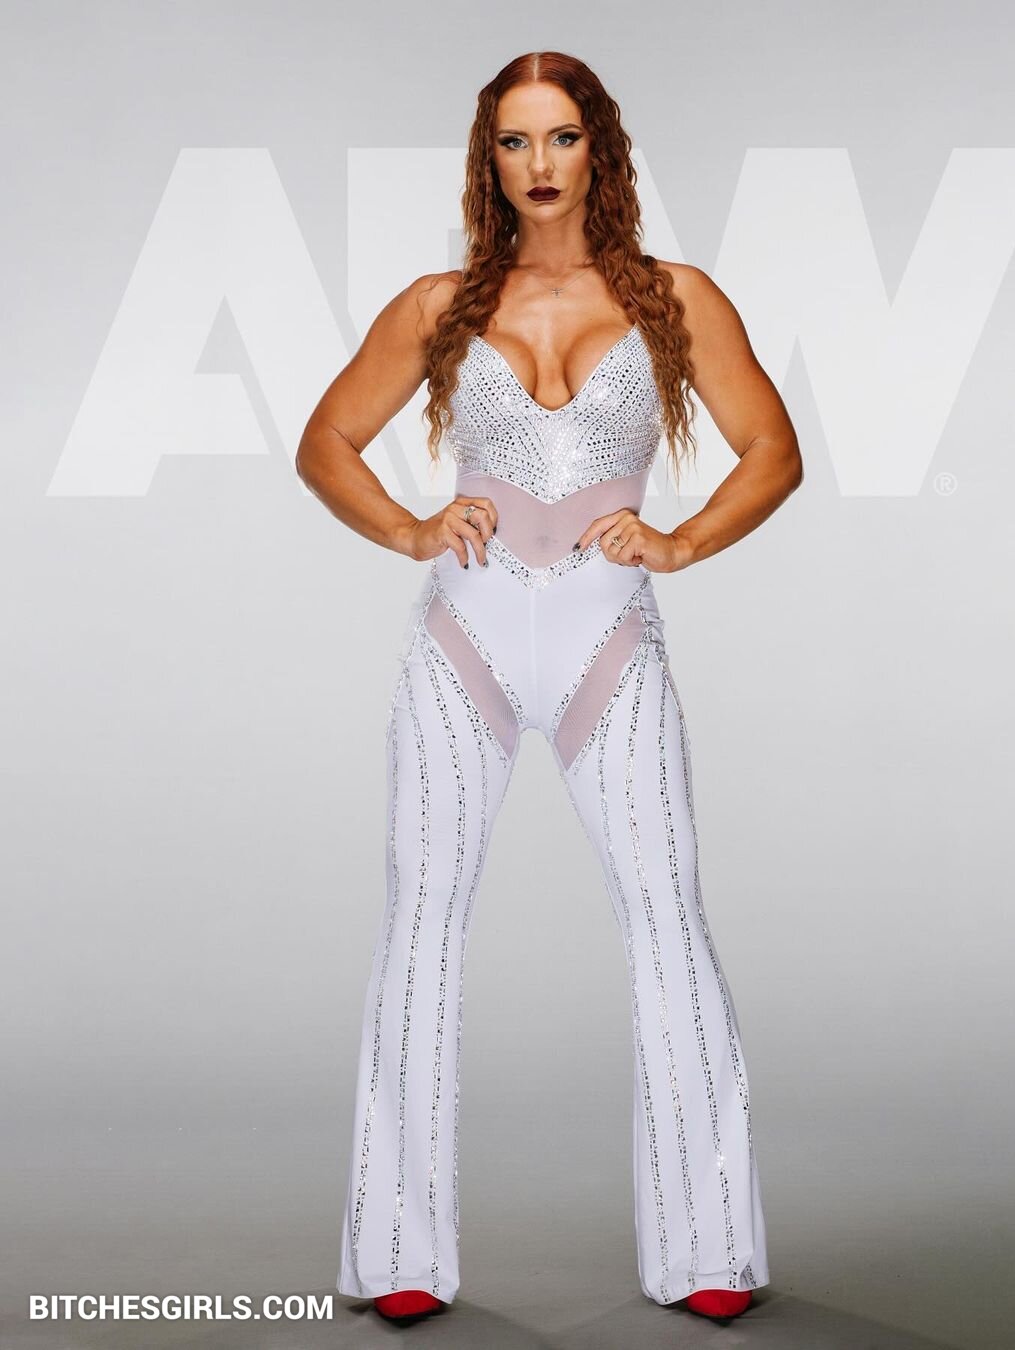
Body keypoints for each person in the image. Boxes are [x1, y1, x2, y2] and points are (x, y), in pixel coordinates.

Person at [295, 51, 802, 1326]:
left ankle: (710, 1253)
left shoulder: (675, 297)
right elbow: (326, 442)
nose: (539, 164)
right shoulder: (439, 305)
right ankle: (397, 1256)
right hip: (460, 643)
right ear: (489, 159)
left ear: (599, 151)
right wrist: (411, 528)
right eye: (515, 142)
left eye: (562, 137)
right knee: (421, 927)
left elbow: (772, 450)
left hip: (609, 642)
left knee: (667, 918)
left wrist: (681, 543)